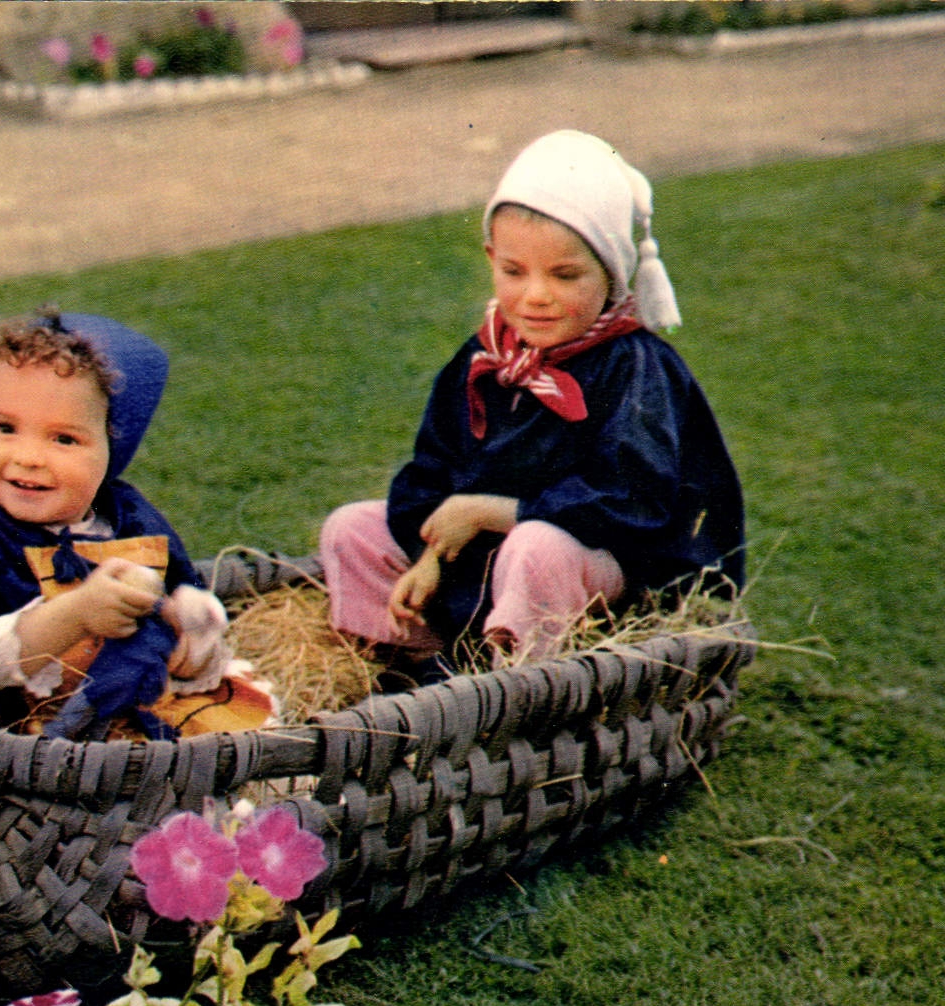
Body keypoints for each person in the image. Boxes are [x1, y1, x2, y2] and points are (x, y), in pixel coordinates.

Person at [318, 129, 745, 675]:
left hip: (593, 561)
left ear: (611, 272)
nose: (535, 295)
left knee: (536, 548)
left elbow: (633, 496)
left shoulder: (633, 365)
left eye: (565, 275)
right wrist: (429, 553)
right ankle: (409, 658)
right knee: (351, 529)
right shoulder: (485, 358)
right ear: (491, 258)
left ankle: (512, 682)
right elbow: (436, 464)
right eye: (514, 272)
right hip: (482, 558)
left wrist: (497, 513)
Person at [0, 310, 271, 737]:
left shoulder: (129, 523)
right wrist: (78, 613)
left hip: (117, 710)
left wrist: (190, 630)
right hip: (3, 731)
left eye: (64, 438)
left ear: (113, 448)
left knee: (242, 723)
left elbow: (186, 668)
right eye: (5, 427)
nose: (27, 456)